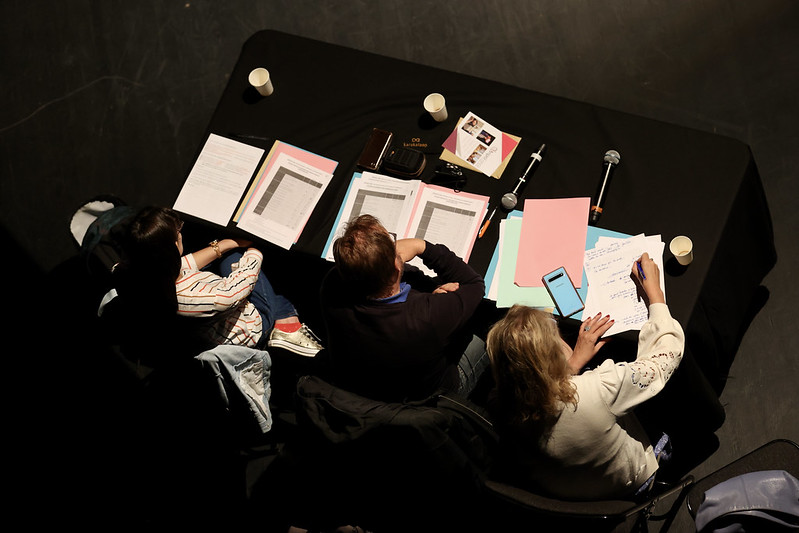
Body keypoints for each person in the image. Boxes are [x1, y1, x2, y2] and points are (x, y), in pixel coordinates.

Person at [485, 252, 683, 500]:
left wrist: (573, 364)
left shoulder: (499, 403)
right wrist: (655, 294)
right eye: (555, 334)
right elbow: (664, 359)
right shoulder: (596, 390)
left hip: (561, 492)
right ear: (553, 357)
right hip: (629, 482)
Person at [319, 214, 489, 403]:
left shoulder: (332, 286)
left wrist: (429, 299)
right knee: (487, 330)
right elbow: (474, 284)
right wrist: (421, 246)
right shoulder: (427, 315)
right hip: (427, 400)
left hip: (364, 387)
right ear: (395, 270)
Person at [114, 206, 322, 357]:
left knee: (231, 255)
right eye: (178, 232)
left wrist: (224, 245)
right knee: (259, 273)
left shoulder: (133, 271)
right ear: (171, 248)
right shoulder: (194, 299)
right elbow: (242, 284)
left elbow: (184, 264)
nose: (181, 234)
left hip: (214, 309)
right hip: (252, 323)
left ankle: (285, 317)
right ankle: (286, 321)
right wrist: (256, 249)